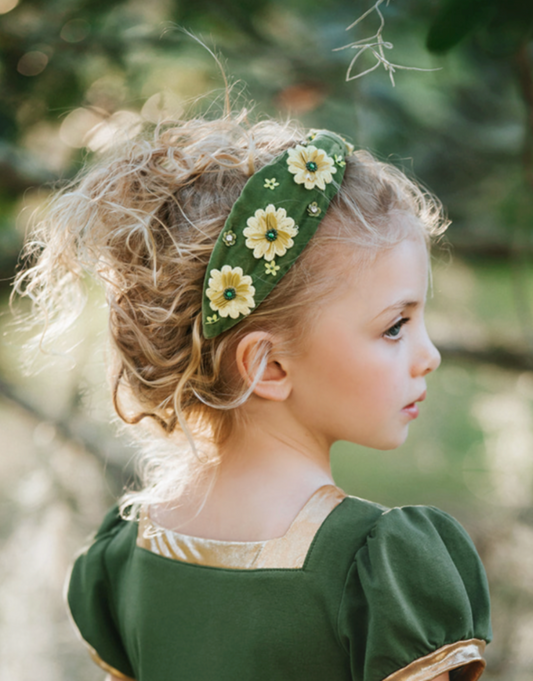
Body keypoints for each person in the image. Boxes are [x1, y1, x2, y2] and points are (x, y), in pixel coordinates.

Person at [13, 107, 491, 681]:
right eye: (395, 326)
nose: (428, 355)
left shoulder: (126, 554)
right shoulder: (373, 567)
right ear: (267, 364)